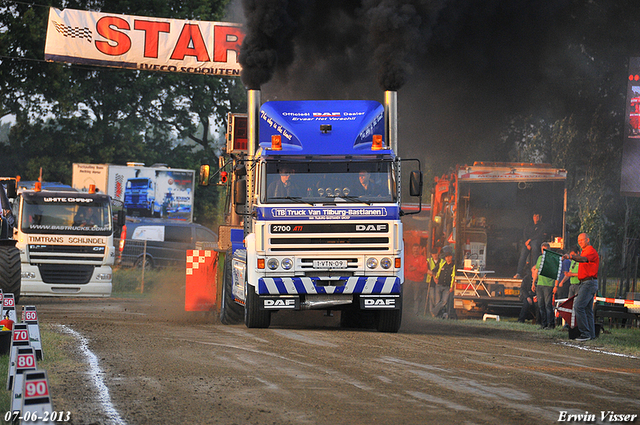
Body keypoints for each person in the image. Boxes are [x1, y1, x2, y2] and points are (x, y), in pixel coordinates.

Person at [563, 233, 599, 341]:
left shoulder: (590, 251)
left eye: (582, 240)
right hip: (586, 282)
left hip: (588, 282)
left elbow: (583, 259)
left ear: (588, 240)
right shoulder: (585, 251)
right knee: (587, 309)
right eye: (578, 240)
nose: (580, 242)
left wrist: (570, 256)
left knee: (578, 306)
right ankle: (591, 335)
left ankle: (585, 333)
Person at [514, 212, 547, 278]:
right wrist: (527, 242)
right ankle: (518, 273)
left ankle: (534, 271)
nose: (536, 218)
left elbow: (539, 235)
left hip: (536, 241)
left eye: (537, 216)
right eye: (535, 216)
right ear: (533, 217)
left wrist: (530, 240)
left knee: (535, 250)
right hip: (527, 242)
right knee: (522, 255)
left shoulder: (542, 226)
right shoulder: (529, 225)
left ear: (540, 217)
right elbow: (525, 233)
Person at [532, 242, 556, 329]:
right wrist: (534, 282)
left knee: (548, 305)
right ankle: (544, 323)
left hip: (548, 284)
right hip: (540, 284)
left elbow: (555, 272)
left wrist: (555, 285)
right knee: (541, 305)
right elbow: (536, 271)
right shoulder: (540, 258)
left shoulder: (552, 259)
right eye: (543, 250)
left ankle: (551, 324)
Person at [404, 245, 429, 315]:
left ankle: (416, 312)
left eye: (417, 249)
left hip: (417, 281)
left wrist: (416, 269)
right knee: (405, 296)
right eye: (414, 249)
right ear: (412, 249)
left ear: (419, 250)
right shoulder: (408, 257)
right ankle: (404, 311)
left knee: (416, 297)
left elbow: (424, 270)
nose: (415, 250)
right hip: (408, 280)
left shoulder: (422, 258)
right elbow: (404, 267)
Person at [430, 251, 455, 318]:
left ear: (451, 257)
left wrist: (452, 286)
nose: (448, 258)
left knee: (444, 301)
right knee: (437, 302)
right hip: (439, 285)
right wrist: (435, 278)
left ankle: (434, 312)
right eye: (446, 257)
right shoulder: (442, 264)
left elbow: (453, 277)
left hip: (447, 286)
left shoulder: (453, 266)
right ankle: (438, 315)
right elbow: (434, 271)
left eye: (449, 257)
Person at [426, 248, 445, 316]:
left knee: (437, 298)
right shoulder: (428, 261)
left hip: (439, 282)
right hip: (430, 282)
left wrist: (434, 275)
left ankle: (436, 313)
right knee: (431, 297)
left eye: (436, 253)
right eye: (433, 254)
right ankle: (432, 312)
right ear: (431, 254)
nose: (435, 255)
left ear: (438, 253)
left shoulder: (442, 261)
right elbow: (426, 270)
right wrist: (434, 275)